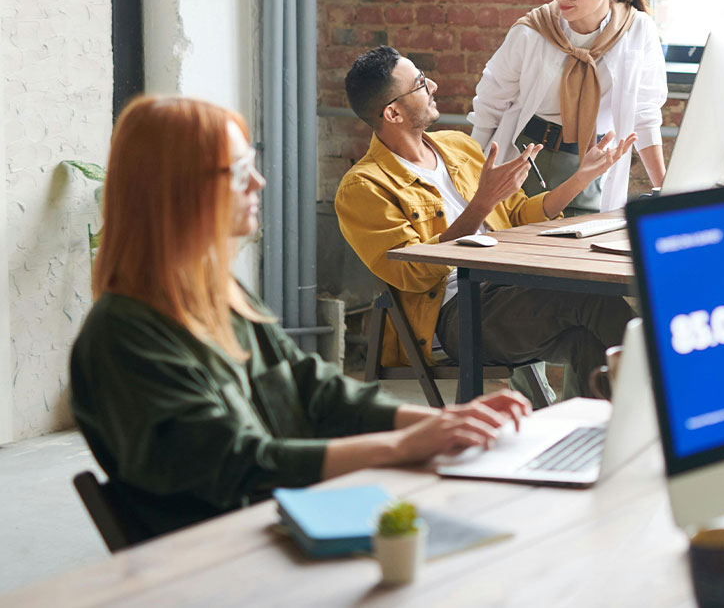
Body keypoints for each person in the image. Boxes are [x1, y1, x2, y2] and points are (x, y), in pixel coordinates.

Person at [69, 96, 532, 540]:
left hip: (290, 519)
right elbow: (239, 463)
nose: (258, 182)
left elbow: (315, 391)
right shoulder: (124, 336)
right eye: (237, 171)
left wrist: (437, 422)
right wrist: (403, 446)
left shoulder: (221, 295)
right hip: (229, 556)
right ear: (178, 189)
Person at [336, 46, 637, 403]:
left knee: (588, 338)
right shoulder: (364, 187)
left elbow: (519, 215)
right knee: (592, 300)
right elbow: (414, 271)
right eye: (419, 83)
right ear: (392, 112)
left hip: (510, 287)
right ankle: (680, 398)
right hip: (455, 315)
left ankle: (598, 442)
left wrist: (580, 178)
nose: (431, 84)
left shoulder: (457, 146)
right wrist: (482, 203)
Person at [468, 0, 668, 215]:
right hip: (525, 159)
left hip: (591, 164)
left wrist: (666, 191)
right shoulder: (532, 31)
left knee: (582, 252)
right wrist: (469, 180)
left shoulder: (637, 31)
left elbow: (645, 113)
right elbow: (489, 105)